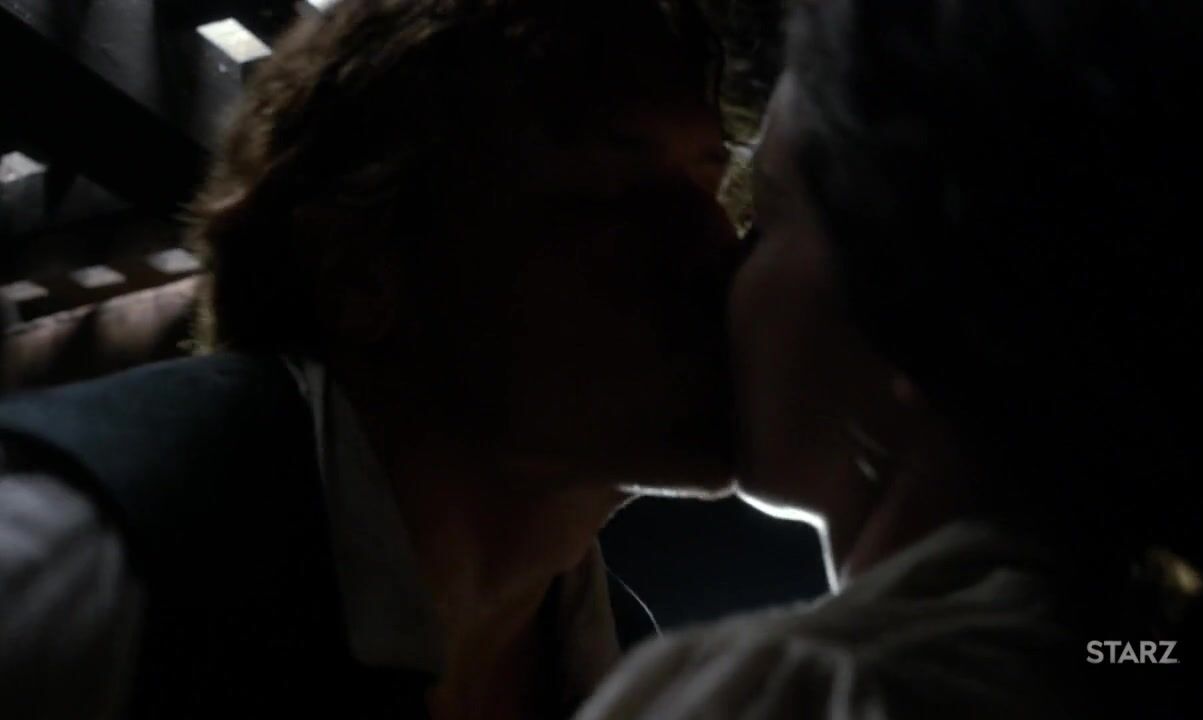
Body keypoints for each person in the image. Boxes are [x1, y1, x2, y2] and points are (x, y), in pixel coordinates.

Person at [0, 1, 737, 718]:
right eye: (615, 188)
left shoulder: (637, 673)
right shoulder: (77, 561)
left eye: (714, 190)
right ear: (357, 272)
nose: (719, 250)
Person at [576, 0, 1203, 718]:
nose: (723, 263)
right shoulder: (1144, 650)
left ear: (919, 297)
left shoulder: (806, 691)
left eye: (768, 215)